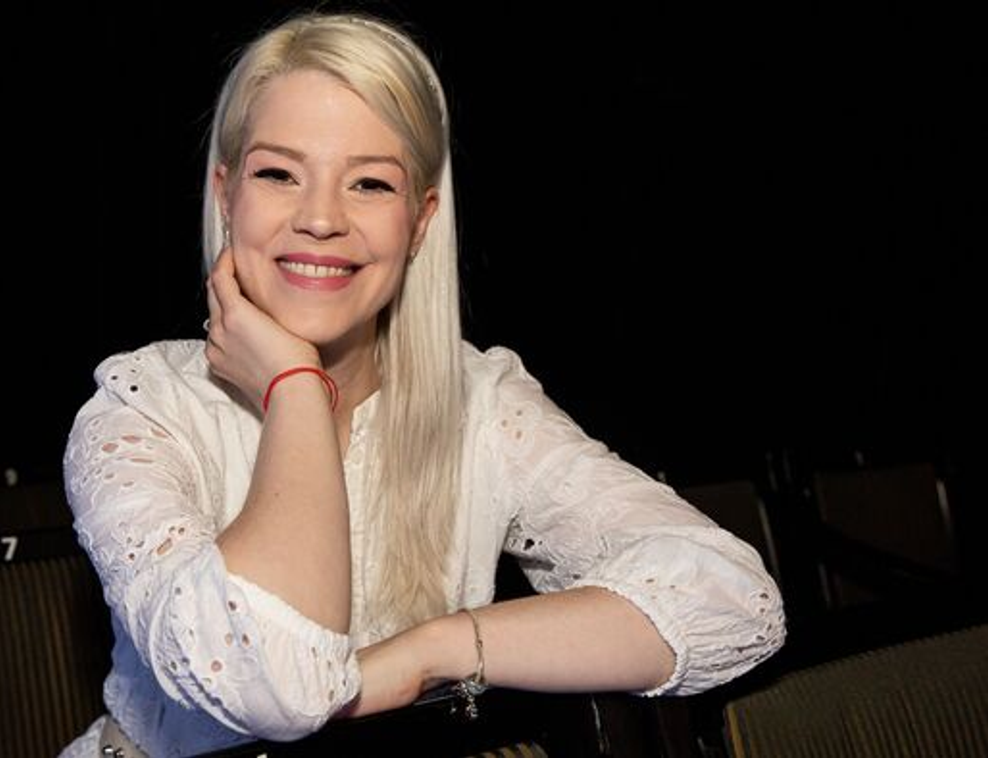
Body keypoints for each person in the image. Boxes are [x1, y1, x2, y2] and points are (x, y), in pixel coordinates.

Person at [60, 12, 784, 757]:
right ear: (226, 193)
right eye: (279, 174)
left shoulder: (481, 403)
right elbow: (275, 687)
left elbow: (735, 602)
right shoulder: (141, 408)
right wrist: (296, 388)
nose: (320, 218)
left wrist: (434, 650)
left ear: (419, 220)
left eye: (370, 183)